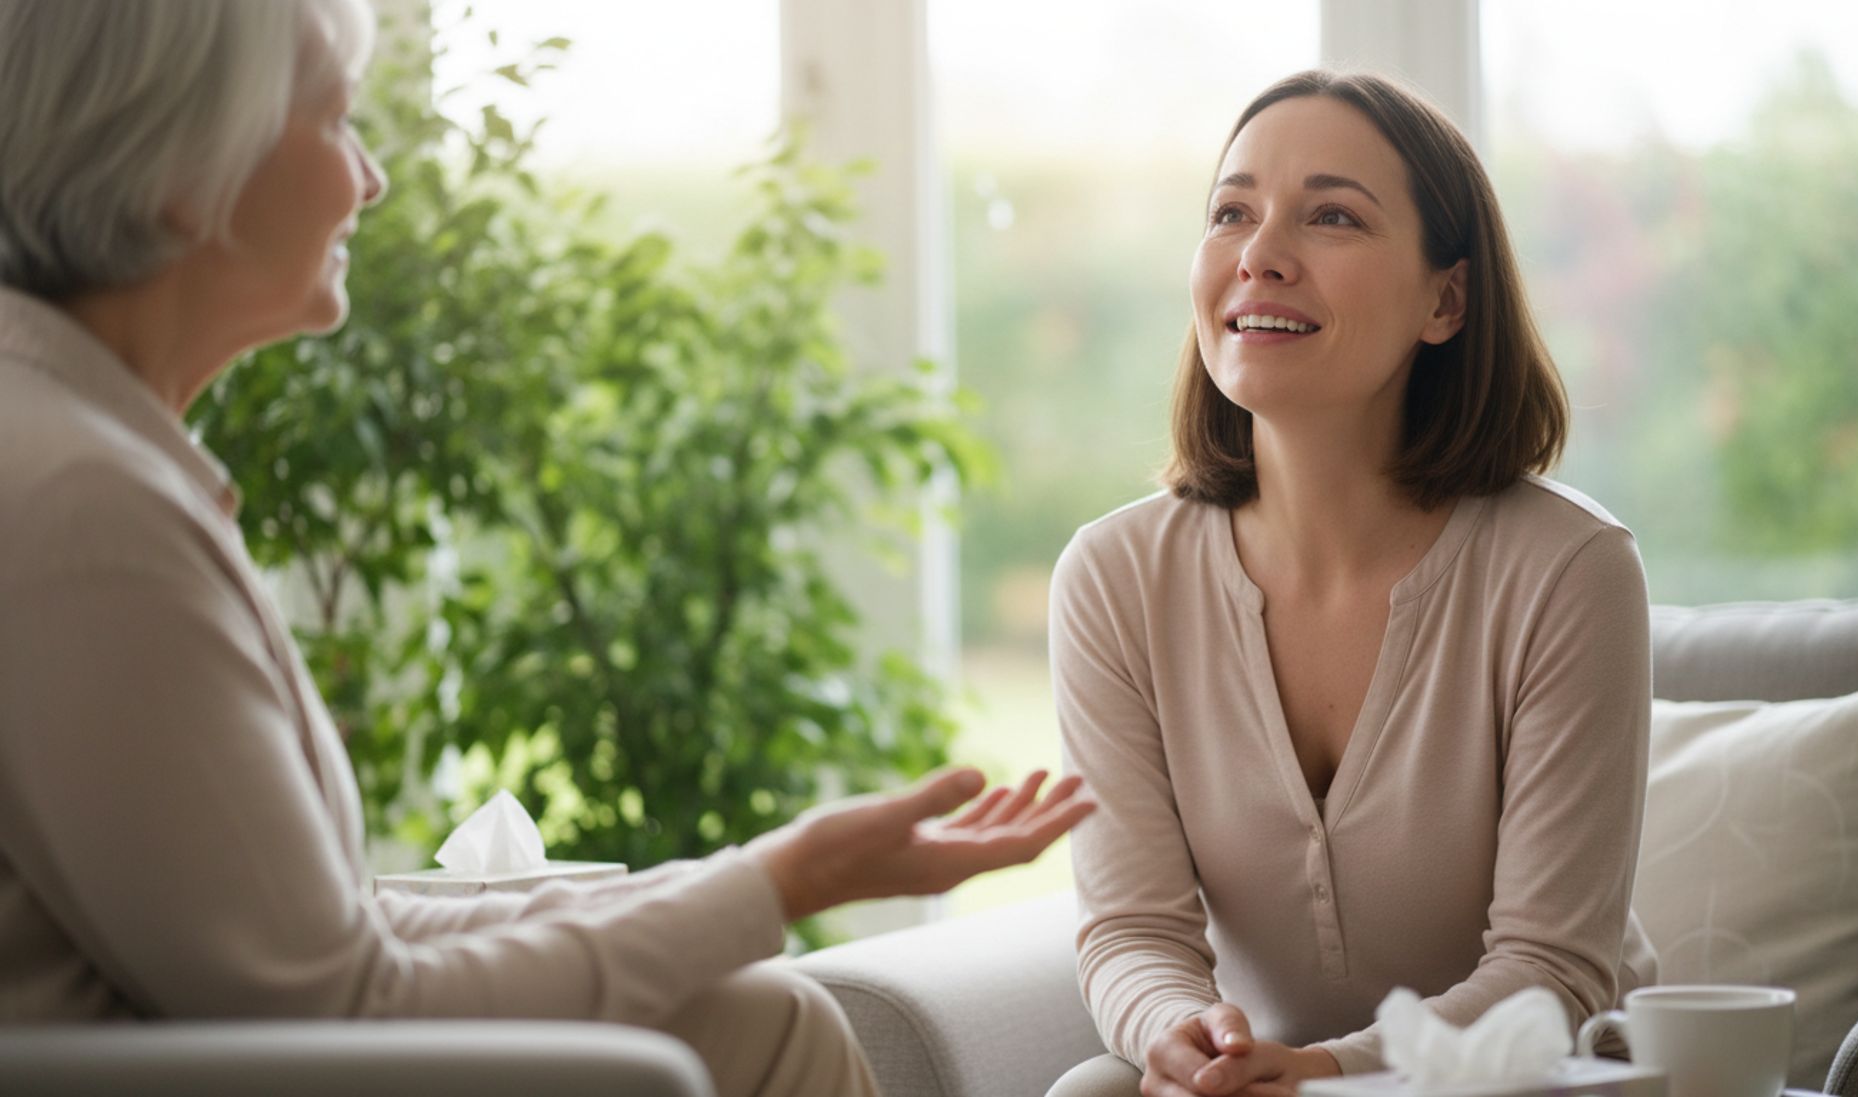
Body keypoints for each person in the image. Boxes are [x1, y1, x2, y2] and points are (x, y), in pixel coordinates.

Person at [0, 2, 1093, 1095]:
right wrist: (776, 877)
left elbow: (321, 930)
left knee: (761, 1012)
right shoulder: (87, 513)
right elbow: (348, 1004)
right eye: (336, 123)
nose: (370, 179)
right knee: (761, 1024)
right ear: (184, 165)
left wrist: (765, 875)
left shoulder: (78, 451)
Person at [1046, 70, 1659, 1097]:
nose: (1259, 254)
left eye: (1331, 215)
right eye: (1231, 212)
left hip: (1522, 1077)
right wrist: (1184, 1037)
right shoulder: (1113, 578)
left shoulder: (1569, 571)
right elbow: (1133, 928)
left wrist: (1327, 1072)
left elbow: (1551, 968)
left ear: (1445, 299)